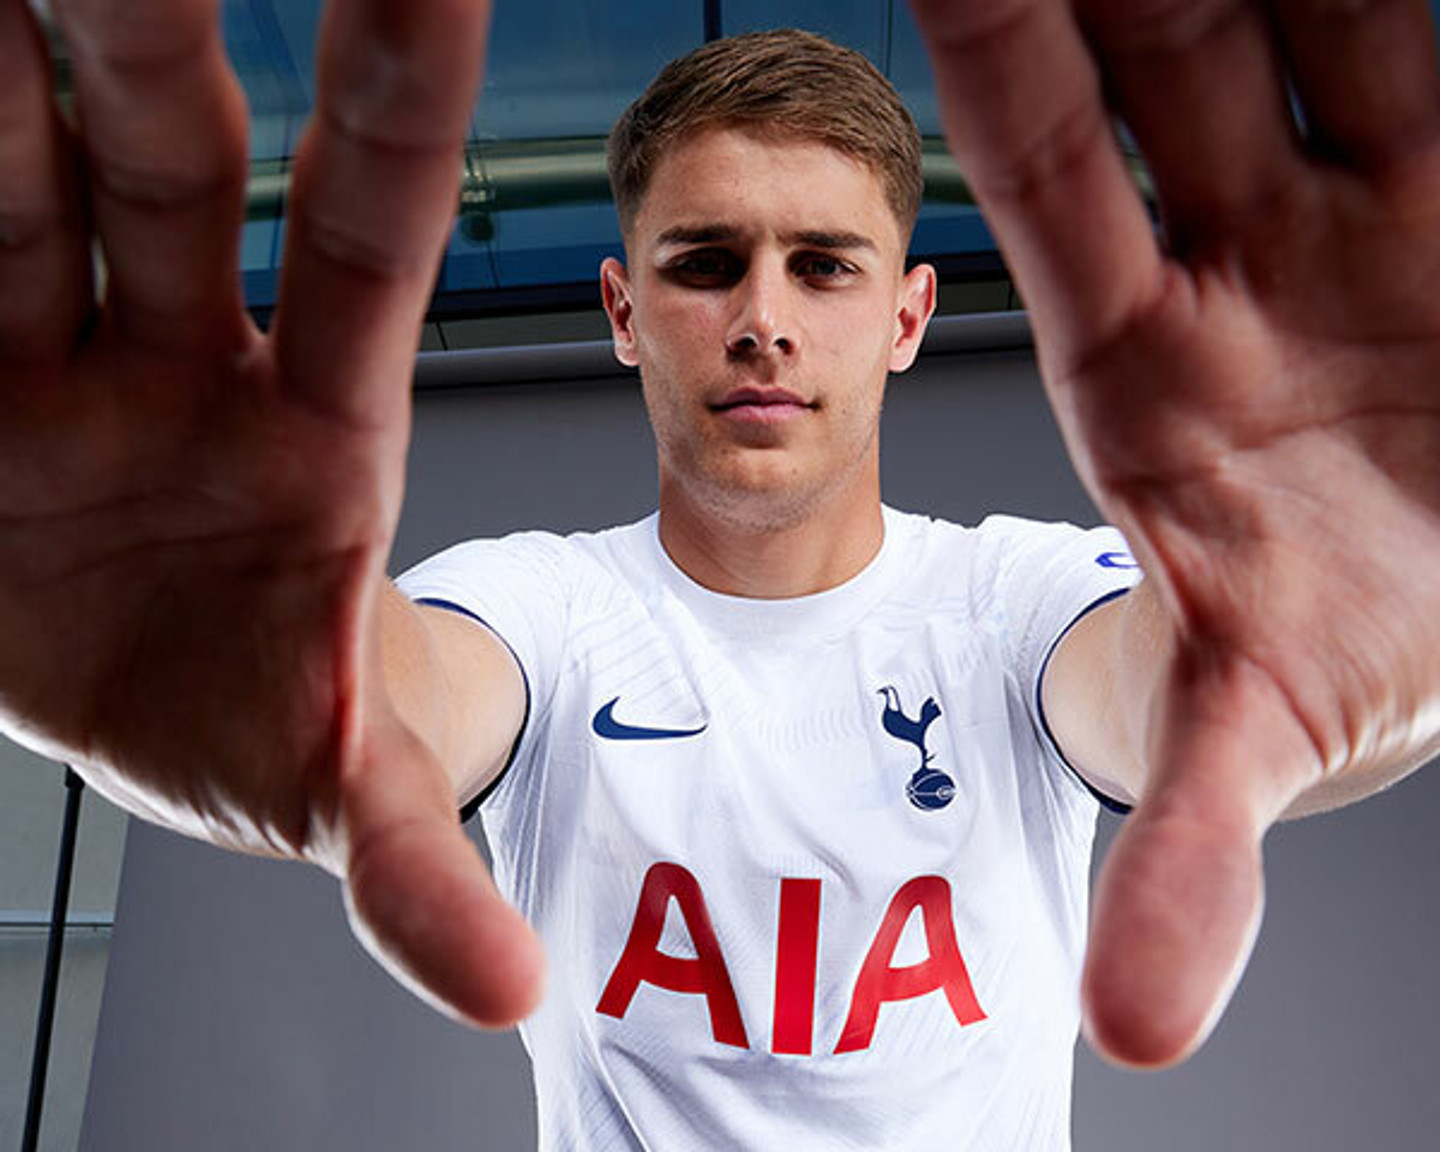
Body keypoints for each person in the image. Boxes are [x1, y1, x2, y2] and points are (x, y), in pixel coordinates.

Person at [2, 0, 1437, 1147]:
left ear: (906, 317)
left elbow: (1177, 692)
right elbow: (404, 698)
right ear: (624, 309)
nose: (762, 320)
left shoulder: (1016, 604)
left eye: (824, 266)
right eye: (705, 264)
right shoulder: (544, 614)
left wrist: (1373, 607)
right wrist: (258, 674)